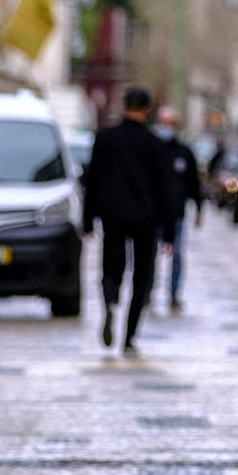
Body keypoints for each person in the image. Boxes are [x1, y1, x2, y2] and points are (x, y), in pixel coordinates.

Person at [81, 87, 178, 353]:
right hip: (146, 220)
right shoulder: (155, 144)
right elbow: (166, 190)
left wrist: (88, 219)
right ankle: (129, 336)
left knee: (111, 268)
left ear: (124, 105)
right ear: (147, 109)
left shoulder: (105, 138)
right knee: (141, 277)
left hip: (112, 216)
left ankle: (111, 302)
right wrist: (170, 232)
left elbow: (92, 181)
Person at [154, 105, 206, 314]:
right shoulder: (152, 150)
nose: (166, 127)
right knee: (149, 256)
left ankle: (174, 294)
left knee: (176, 255)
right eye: (163, 123)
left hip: (176, 214)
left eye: (170, 124)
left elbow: (194, 183)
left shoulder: (184, 153)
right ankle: (148, 291)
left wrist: (199, 209)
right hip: (153, 214)